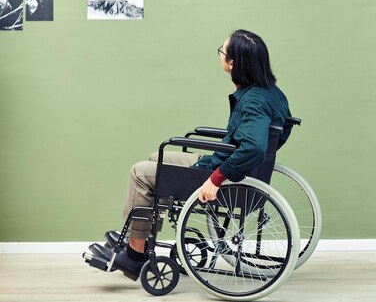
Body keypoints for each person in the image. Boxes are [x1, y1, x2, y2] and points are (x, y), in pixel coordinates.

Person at [90, 29, 291, 281]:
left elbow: (254, 147)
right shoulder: (271, 91)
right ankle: (140, 235)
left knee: (139, 174)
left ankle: (134, 254)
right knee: (155, 158)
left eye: (222, 51)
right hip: (226, 163)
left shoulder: (253, 101)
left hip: (224, 176)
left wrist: (217, 178)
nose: (220, 55)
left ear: (233, 63)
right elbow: (279, 132)